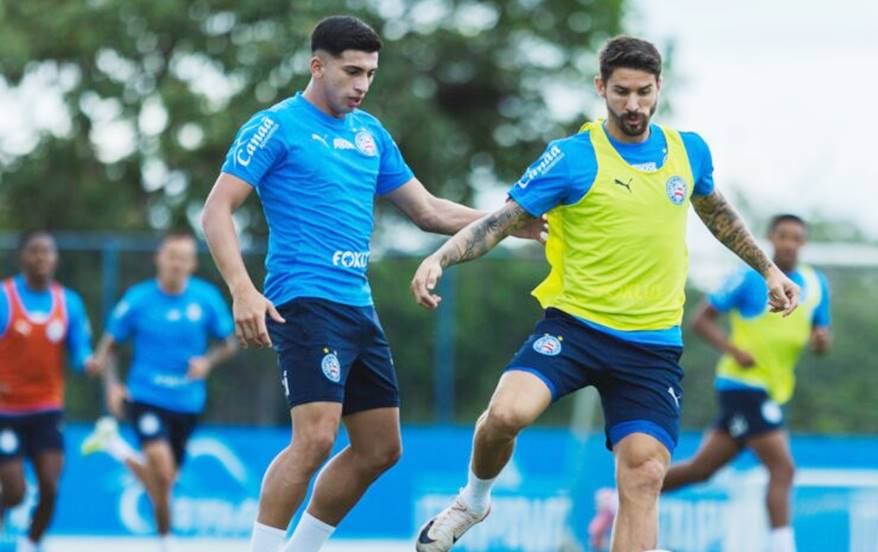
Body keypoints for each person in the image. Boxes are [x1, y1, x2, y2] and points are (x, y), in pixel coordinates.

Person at [410, 36, 800, 552]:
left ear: (659, 87)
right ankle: (473, 501)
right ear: (601, 87)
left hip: (651, 348)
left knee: (645, 472)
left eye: (644, 92)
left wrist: (769, 270)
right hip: (575, 328)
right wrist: (440, 257)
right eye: (621, 92)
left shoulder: (689, 152)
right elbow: (500, 222)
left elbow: (719, 215)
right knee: (506, 415)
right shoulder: (571, 157)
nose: (633, 104)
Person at [199, 15, 543, 552]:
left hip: (357, 307)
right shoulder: (276, 126)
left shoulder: (370, 134)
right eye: (352, 71)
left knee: (380, 448)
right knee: (315, 438)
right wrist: (243, 290)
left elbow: (428, 210)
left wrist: (506, 222)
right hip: (303, 300)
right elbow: (216, 209)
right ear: (318, 66)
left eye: (370, 74)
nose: (362, 84)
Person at [662, 214, 831, 552]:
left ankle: (620, 495)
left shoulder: (815, 285)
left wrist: (820, 342)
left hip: (773, 388)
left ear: (804, 243)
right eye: (783, 236)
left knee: (701, 470)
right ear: (770, 238)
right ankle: (783, 547)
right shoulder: (750, 277)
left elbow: (821, 338)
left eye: (796, 238)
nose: (789, 244)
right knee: (783, 468)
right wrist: (733, 351)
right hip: (742, 386)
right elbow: (701, 320)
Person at [80, 231, 237, 551]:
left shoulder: (205, 298)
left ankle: (114, 446)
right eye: (172, 256)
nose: (177, 264)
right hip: (145, 397)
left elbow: (229, 343)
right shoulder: (139, 299)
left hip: (188, 402)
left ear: (192, 264)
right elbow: (110, 345)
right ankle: (168, 543)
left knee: (165, 483)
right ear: (159, 258)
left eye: (184, 258)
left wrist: (207, 363)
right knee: (162, 474)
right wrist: (111, 385)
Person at [0, 231, 96, 552]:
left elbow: (80, 349)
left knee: (51, 487)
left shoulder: (69, 303)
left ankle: (31, 544)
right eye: (34, 251)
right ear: (22, 257)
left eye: (47, 252)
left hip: (46, 409)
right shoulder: (5, 297)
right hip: (6, 413)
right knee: (15, 492)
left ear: (56, 258)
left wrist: (88, 362)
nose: (41, 258)